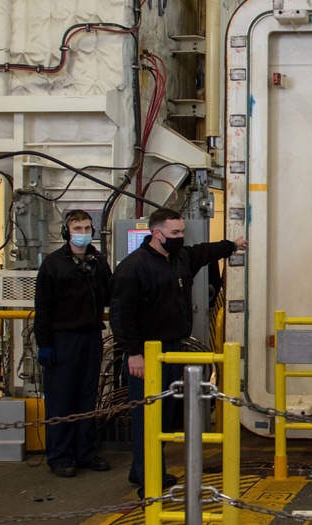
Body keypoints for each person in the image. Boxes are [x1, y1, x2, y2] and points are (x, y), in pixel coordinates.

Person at [109, 208, 247, 498]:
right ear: (156, 233)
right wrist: (133, 354)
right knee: (147, 418)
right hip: (147, 354)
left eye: (182, 232)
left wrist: (233, 245)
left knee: (164, 416)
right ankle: (149, 480)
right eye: (174, 233)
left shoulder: (180, 259)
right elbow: (121, 315)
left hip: (173, 350)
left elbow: (205, 252)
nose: (180, 237)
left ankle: (142, 470)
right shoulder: (133, 268)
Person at [34, 209, 112, 477]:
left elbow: (111, 294)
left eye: (87, 228)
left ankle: (85, 452)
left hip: (91, 337)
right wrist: (44, 343)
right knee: (61, 399)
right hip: (62, 339)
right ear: (67, 232)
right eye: (78, 229)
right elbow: (42, 308)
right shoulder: (54, 264)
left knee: (87, 397)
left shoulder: (98, 261)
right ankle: (59, 457)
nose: (83, 233)